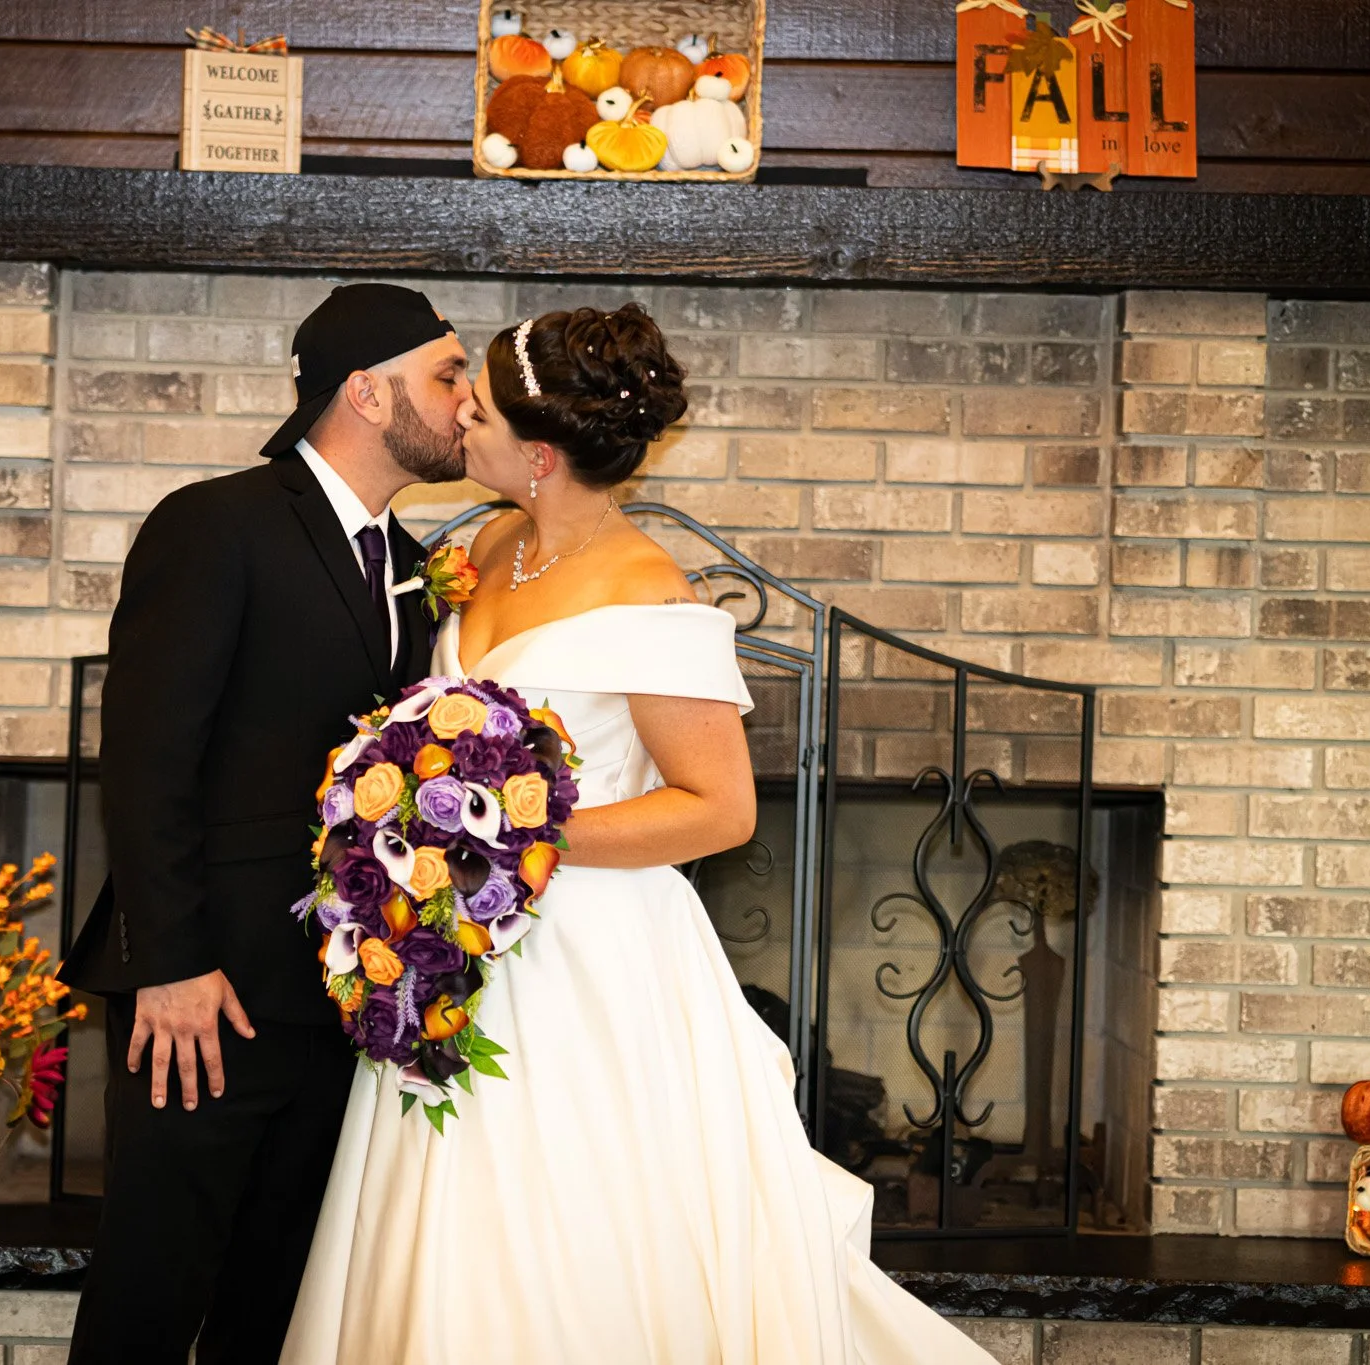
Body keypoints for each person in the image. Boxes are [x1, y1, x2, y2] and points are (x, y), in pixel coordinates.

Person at [281, 304, 997, 1364]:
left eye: (479, 409)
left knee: (573, 1223)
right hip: (458, 945)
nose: (459, 417)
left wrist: (508, 839)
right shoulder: (487, 546)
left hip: (590, 960)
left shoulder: (651, 593)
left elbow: (720, 808)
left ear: (538, 453)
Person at [60, 283, 473, 1365]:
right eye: (447, 375)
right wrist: (171, 963)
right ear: (366, 393)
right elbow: (147, 758)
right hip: (206, 996)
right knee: (149, 1304)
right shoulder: (216, 523)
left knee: (276, 1315)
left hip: (337, 1003)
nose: (468, 401)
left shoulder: (415, 569)